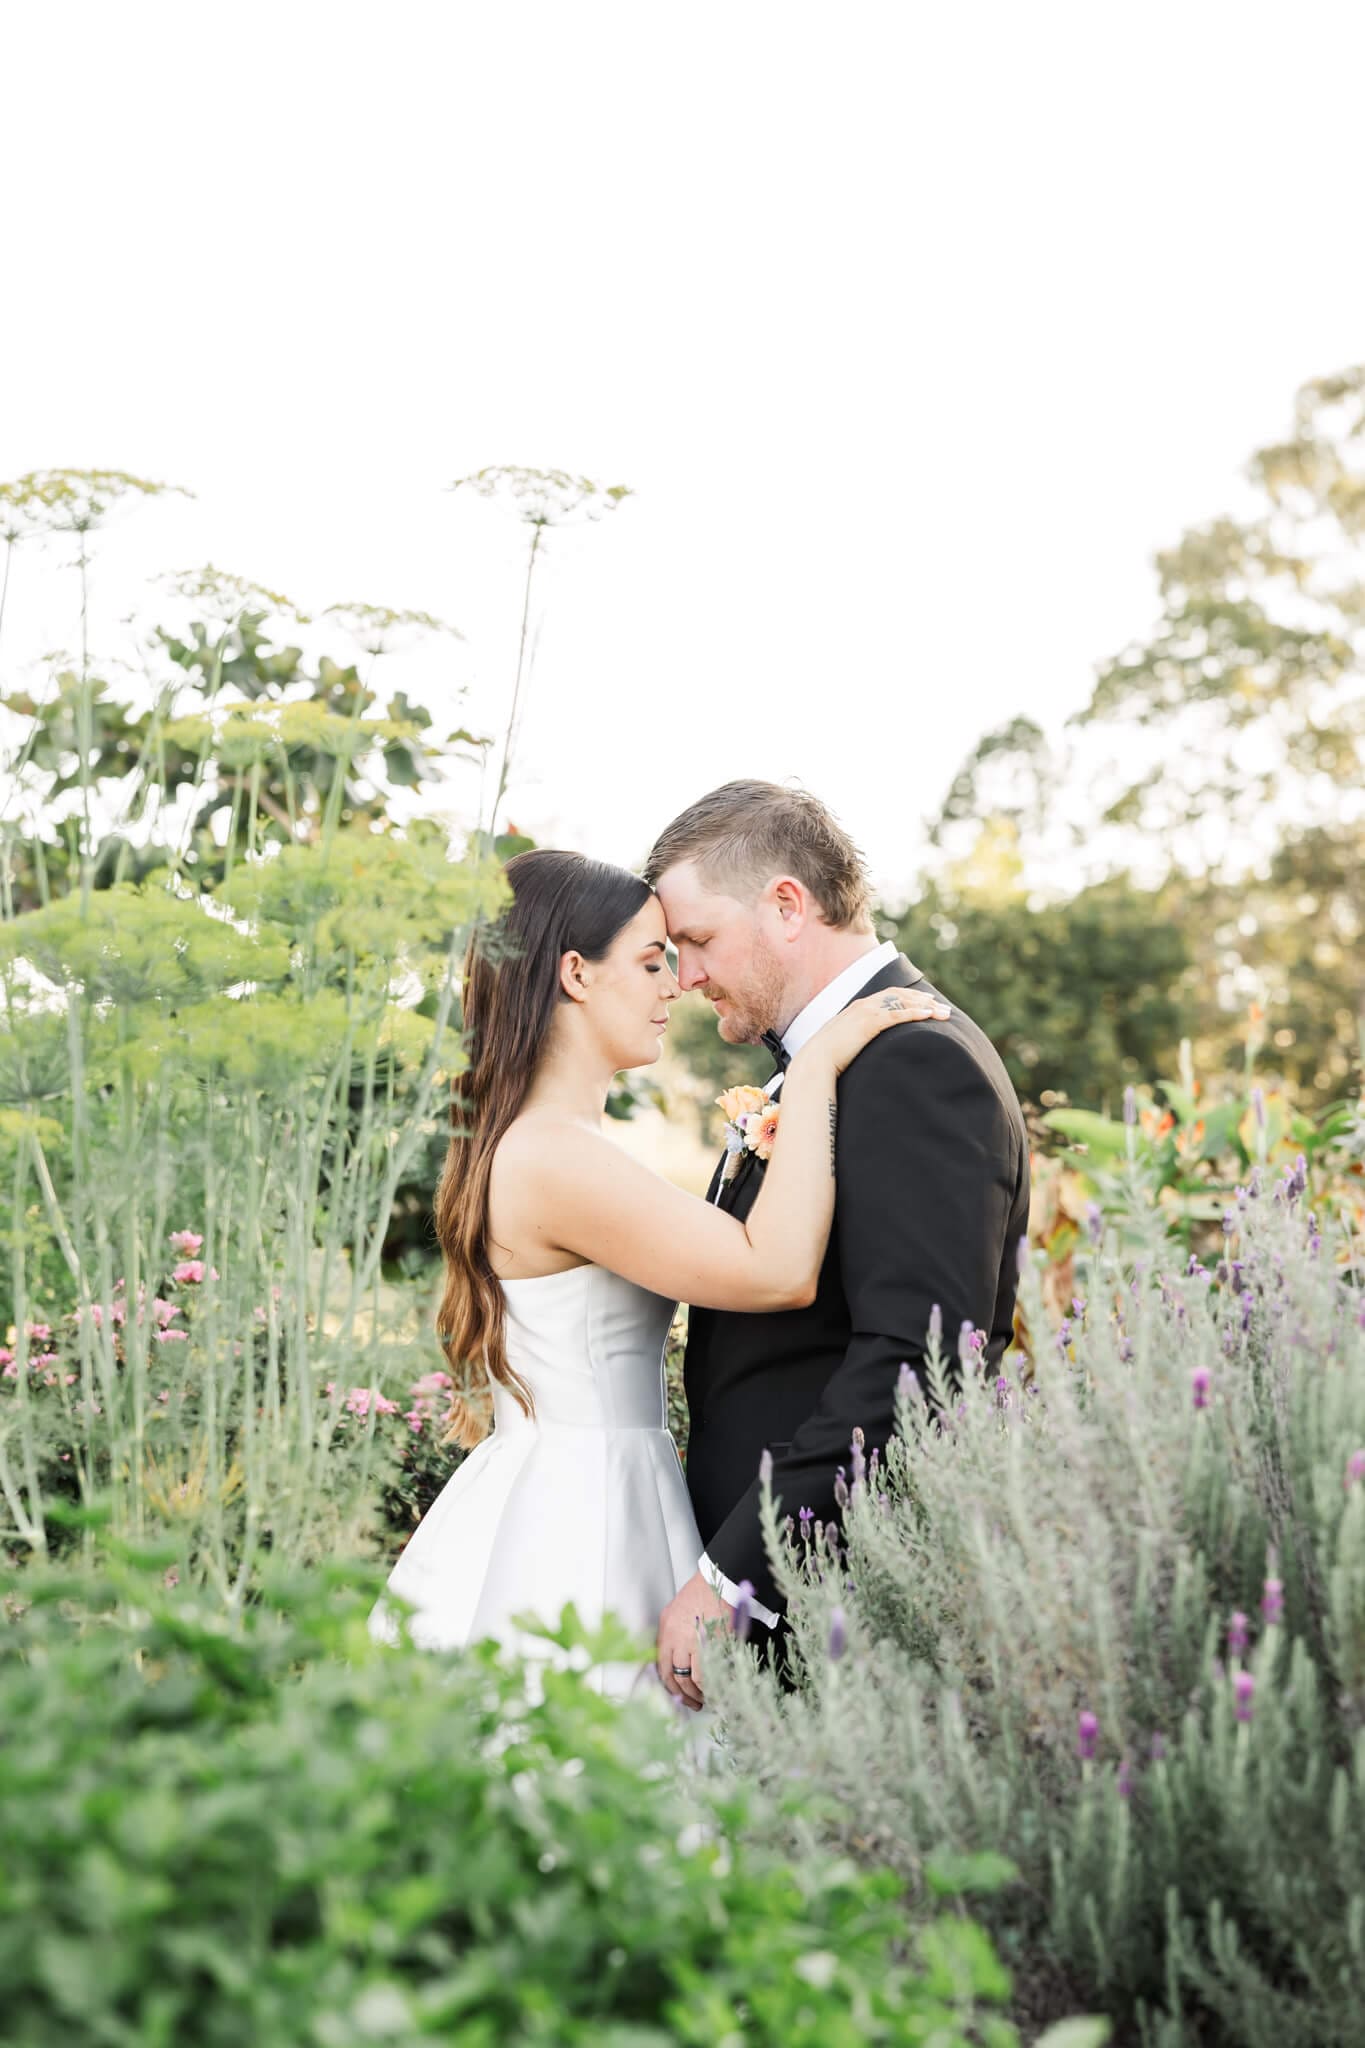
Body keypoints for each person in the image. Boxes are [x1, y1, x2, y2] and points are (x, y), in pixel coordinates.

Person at [368, 847, 947, 1696]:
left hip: (590, 1479)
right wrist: (818, 1065)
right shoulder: (554, 1158)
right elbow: (776, 1272)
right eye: (649, 962)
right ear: (575, 974)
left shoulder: (550, 1144)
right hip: (583, 1510)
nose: (673, 985)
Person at [644, 780, 1030, 1704]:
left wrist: (742, 1577)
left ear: (786, 904)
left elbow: (919, 1360)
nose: (685, 976)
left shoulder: (916, 1064)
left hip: (831, 1596)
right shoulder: (837, 1064)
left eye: (696, 939)